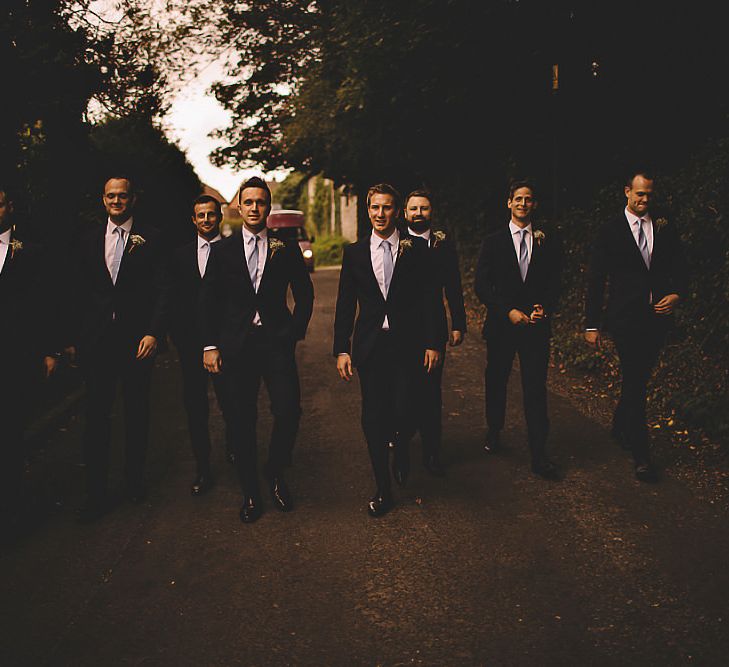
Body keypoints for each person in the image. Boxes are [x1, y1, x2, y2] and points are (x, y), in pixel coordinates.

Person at [201, 176, 314, 523]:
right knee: (240, 420)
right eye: (248, 202)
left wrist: (292, 332)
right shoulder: (221, 251)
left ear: (268, 207)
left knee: (288, 411)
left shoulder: (285, 247)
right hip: (236, 347)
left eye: (260, 202)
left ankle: (275, 471)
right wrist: (210, 345)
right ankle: (251, 492)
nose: (254, 208)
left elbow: (305, 294)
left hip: (275, 343)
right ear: (238, 205)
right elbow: (208, 302)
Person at [333, 183, 441, 517]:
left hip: (407, 345)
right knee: (373, 416)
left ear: (397, 211)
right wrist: (341, 349)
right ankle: (382, 488)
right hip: (371, 347)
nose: (381, 215)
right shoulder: (354, 253)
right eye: (375, 208)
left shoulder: (418, 251)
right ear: (368, 210)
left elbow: (430, 298)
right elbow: (345, 303)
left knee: (407, 409)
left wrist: (433, 342)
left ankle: (402, 447)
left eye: (388, 208)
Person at [68, 176, 170, 523]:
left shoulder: (152, 239)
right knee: (96, 417)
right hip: (98, 343)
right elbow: (78, 294)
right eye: (111, 195)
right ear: (103, 199)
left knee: (137, 413)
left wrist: (154, 333)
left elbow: (162, 290)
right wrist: (75, 339)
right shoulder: (87, 239)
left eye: (122, 196)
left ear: (132, 199)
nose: (116, 201)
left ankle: (134, 482)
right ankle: (95, 494)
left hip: (135, 341)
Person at [585, 169, 687, 482]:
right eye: (640, 193)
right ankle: (641, 456)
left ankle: (618, 425)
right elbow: (596, 278)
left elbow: (680, 265)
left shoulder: (665, 225)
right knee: (635, 380)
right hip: (624, 318)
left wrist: (675, 294)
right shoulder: (610, 230)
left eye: (650, 195)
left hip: (657, 317)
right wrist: (592, 324)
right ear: (627, 192)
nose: (645, 200)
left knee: (639, 378)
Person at [475, 179, 563, 479]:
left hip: (535, 329)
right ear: (508, 203)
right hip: (502, 327)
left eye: (528, 199)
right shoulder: (493, 241)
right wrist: (507, 311)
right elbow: (482, 286)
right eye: (518, 199)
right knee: (496, 381)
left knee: (535, 389)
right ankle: (494, 429)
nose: (523, 204)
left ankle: (539, 453)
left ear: (534, 205)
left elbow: (555, 280)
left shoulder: (546, 241)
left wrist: (544, 307)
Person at [0, 187, 58, 532]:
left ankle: (12, 507)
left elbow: (44, 305)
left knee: (10, 431)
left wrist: (49, 349)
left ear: (10, 208)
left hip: (16, 354)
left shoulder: (31, 253)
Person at [169, 195, 234, 496]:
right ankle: (203, 467)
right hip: (190, 343)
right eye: (200, 215)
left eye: (211, 214)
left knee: (232, 402)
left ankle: (236, 452)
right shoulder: (180, 256)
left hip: (227, 341)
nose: (206, 219)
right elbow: (172, 297)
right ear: (193, 220)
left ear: (220, 217)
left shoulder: (234, 251)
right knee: (195, 407)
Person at [400, 189, 467, 476]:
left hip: (433, 329)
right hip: (401, 331)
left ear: (431, 211)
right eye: (413, 208)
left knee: (430, 393)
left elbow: (453, 285)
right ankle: (400, 449)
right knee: (402, 393)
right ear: (405, 213)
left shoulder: (443, 244)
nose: (418, 213)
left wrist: (459, 323)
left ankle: (432, 453)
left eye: (424, 208)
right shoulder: (395, 244)